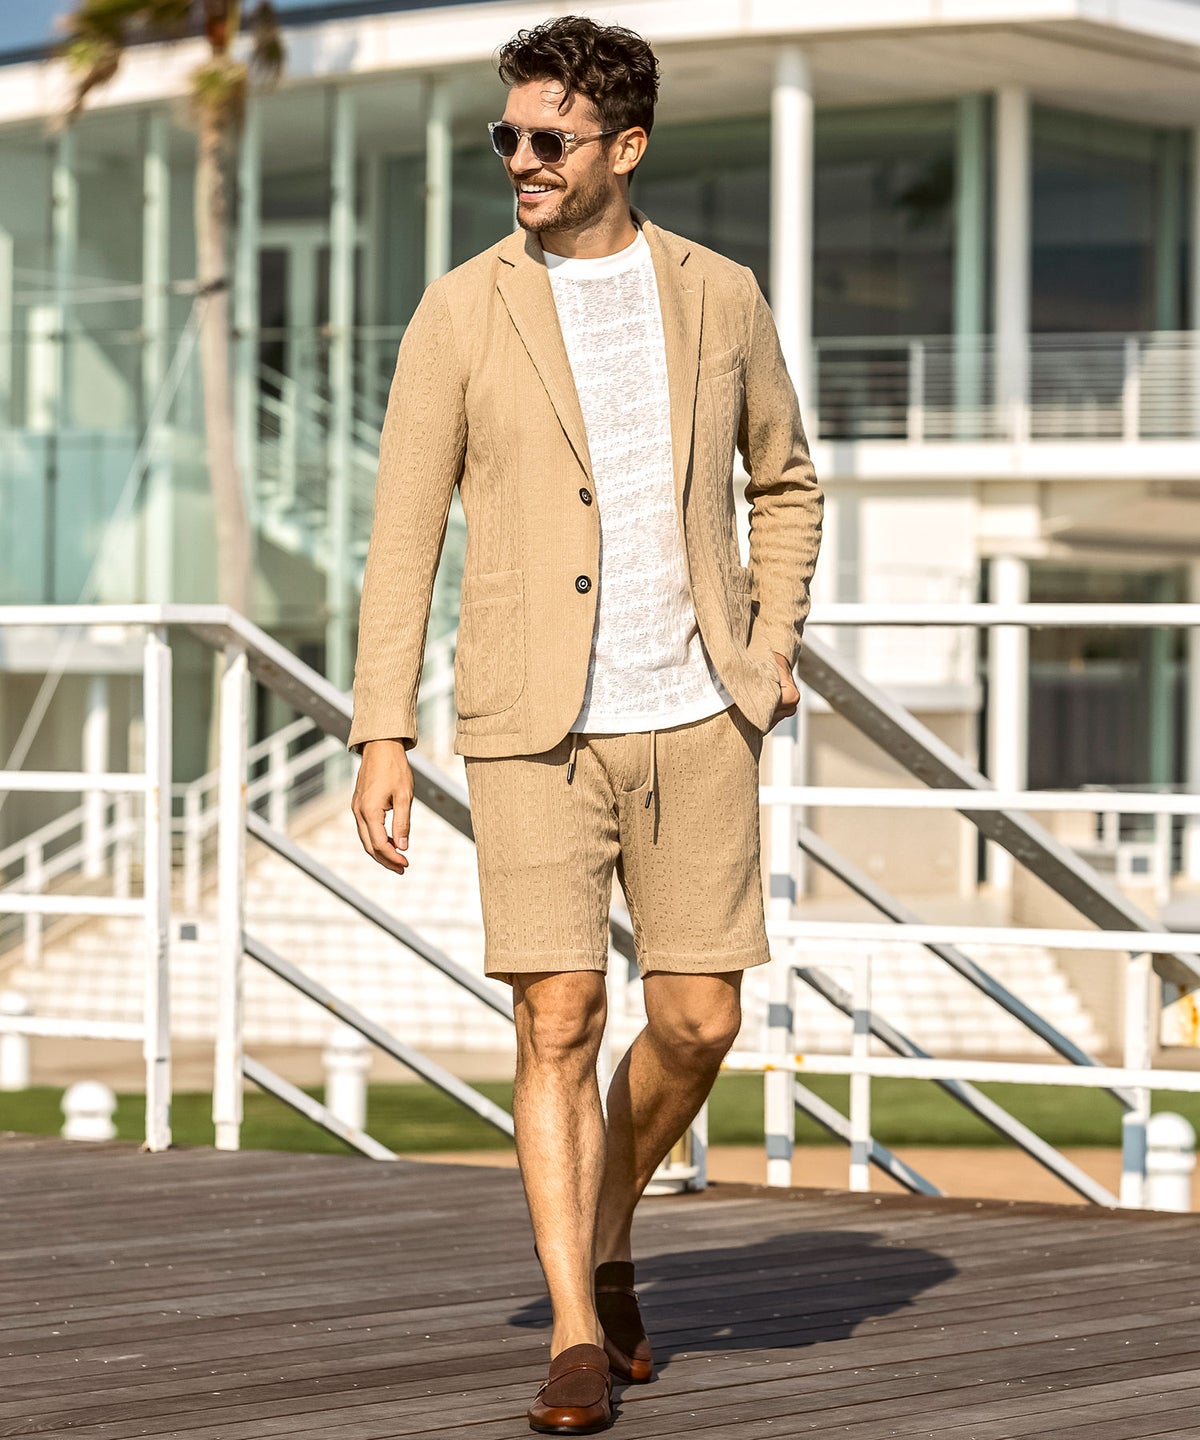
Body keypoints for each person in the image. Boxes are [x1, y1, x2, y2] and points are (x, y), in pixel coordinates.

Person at [348, 14, 823, 1434]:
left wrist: (768, 646)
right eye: (507, 135)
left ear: (627, 146)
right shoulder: (460, 309)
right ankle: (573, 1330)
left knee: (698, 1018)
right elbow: (403, 532)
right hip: (530, 723)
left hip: (699, 712)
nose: (521, 159)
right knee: (559, 1016)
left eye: (548, 138)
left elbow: (785, 483)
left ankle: (608, 1228)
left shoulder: (720, 295)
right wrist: (382, 730)